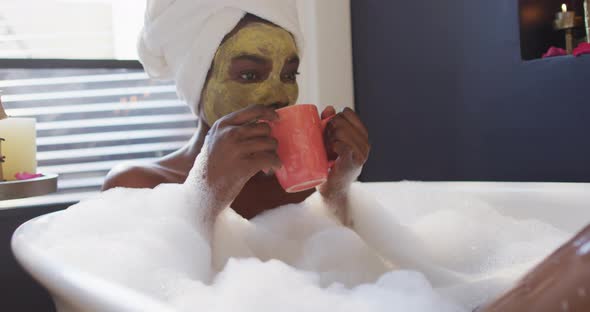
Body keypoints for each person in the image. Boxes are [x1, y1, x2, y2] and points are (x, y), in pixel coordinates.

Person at [102, 0, 590, 310]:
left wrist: (337, 193)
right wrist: (205, 196)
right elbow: (160, 291)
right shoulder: (139, 187)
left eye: (289, 72)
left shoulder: (297, 185)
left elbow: (379, 276)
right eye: (249, 74)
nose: (278, 93)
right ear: (196, 79)